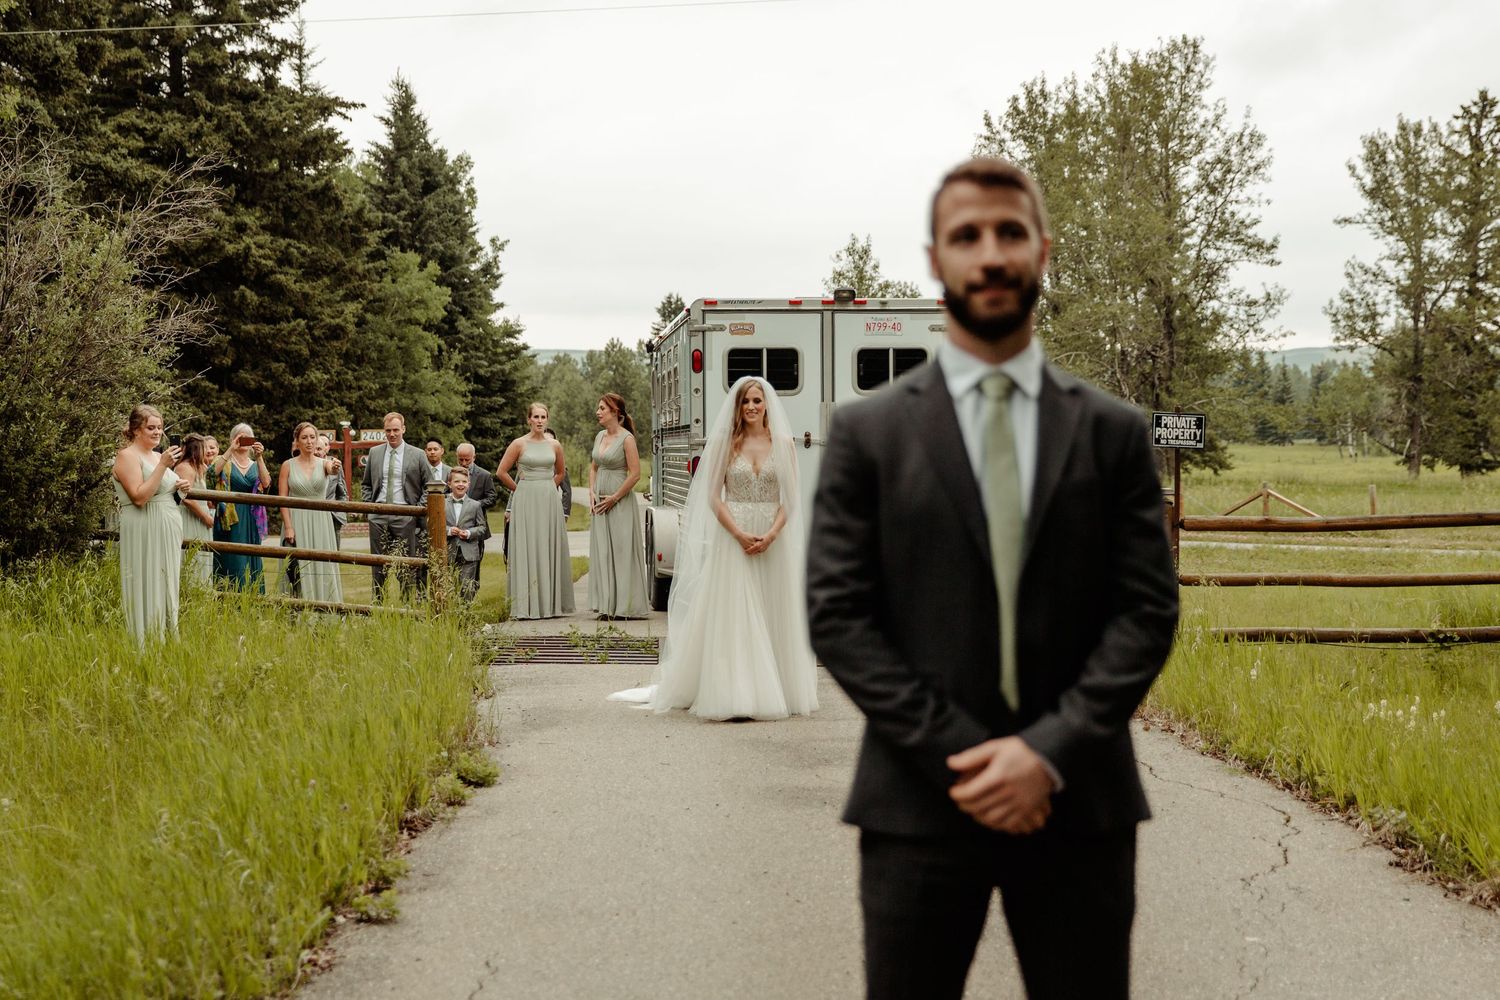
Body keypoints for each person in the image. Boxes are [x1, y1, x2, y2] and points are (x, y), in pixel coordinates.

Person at [804, 157, 1179, 1000]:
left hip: (1079, 804)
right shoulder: (867, 434)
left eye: (1010, 233)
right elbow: (838, 617)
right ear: (935, 259)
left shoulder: (1114, 433)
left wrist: (1046, 754)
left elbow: (1146, 612)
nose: (991, 254)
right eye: (966, 236)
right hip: (916, 804)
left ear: (1042, 250)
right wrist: (963, 757)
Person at [611, 377, 818, 720]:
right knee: (737, 612)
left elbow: (791, 499)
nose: (751, 407)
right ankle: (738, 691)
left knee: (773, 608)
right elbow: (712, 497)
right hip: (734, 536)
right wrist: (738, 534)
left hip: (772, 538)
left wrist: (771, 535)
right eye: (745, 402)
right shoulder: (727, 444)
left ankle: (777, 686)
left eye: (757, 401)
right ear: (737, 407)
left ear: (767, 405)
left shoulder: (783, 444)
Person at [112, 404, 189, 644]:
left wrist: (181, 488)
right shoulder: (127, 456)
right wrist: (164, 466)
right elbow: (139, 497)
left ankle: (167, 636)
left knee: (166, 581)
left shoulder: (157, 456)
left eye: (160, 428)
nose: (157, 432)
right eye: (151, 428)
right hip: (144, 526)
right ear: (136, 429)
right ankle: (143, 640)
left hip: (167, 527)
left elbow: (163, 491)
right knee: (147, 579)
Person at [496, 402, 574, 619]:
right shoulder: (519, 444)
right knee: (527, 545)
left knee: (548, 544)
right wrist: (520, 489)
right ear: (529, 420)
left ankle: (550, 604)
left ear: (547, 420)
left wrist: (548, 487)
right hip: (525, 498)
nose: (540, 421)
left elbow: (560, 473)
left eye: (543, 417)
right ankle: (525, 604)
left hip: (549, 500)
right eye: (536, 417)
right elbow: (501, 472)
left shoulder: (555, 445)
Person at [587, 393, 648, 619]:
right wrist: (591, 492)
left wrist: (614, 497)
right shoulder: (599, 436)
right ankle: (606, 605)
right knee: (603, 551)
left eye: (602, 408)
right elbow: (594, 467)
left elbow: (635, 474)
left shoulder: (627, 439)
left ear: (616, 412)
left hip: (619, 502)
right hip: (600, 503)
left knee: (621, 552)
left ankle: (624, 607)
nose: (598, 412)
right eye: (598, 408)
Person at [362, 411, 429, 599]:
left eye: (396, 430)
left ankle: (407, 604)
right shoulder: (375, 453)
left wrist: (415, 511)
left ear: (403, 429)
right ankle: (378, 603)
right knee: (378, 564)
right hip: (378, 515)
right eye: (388, 430)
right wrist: (369, 507)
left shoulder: (418, 454)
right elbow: (366, 484)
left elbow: (429, 485)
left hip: (405, 515)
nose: (392, 434)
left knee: (406, 565)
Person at [278, 421, 344, 604]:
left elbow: (332, 469)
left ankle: (325, 607)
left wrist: (335, 467)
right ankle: (296, 608)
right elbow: (282, 499)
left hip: (321, 522)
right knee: (296, 567)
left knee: (322, 564)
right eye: (304, 437)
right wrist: (289, 527)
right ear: (297, 441)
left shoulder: (324, 464)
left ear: (317, 440)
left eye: (312, 437)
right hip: (296, 520)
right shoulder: (287, 465)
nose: (309, 441)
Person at [207, 422, 270, 592]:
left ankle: (252, 597)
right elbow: (211, 474)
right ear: (232, 439)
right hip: (229, 517)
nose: (243, 441)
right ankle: (227, 597)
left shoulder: (255, 464)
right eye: (240, 437)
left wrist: (259, 457)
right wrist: (230, 449)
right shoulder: (224, 461)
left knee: (250, 558)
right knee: (231, 559)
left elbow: (266, 484)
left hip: (251, 518)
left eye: (248, 438)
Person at [444, 466, 491, 602]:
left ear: (468, 484)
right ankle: (449, 611)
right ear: (449, 484)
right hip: (448, 550)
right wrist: (448, 530)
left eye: (464, 482)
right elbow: (433, 524)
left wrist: (469, 533)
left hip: (469, 552)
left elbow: (482, 527)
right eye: (457, 481)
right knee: (448, 585)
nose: (461, 484)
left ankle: (465, 612)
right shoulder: (442, 502)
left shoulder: (475, 505)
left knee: (466, 587)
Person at [175, 432, 215, 587]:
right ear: (198, 449)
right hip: (190, 517)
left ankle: (201, 589)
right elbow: (186, 498)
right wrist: (205, 517)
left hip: (199, 516)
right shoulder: (185, 468)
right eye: (205, 448)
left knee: (202, 555)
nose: (208, 451)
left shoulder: (198, 467)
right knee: (191, 555)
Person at [315, 434, 348, 545]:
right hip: (313, 514)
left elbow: (342, 492)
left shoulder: (335, 465)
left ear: (327, 449)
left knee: (334, 549)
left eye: (322, 446)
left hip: (332, 515)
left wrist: (340, 514)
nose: (317, 451)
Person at [455, 442, 498, 513]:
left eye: (467, 460)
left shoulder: (484, 475)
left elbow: (492, 498)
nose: (464, 463)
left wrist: (475, 505)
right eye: (461, 460)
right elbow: (445, 494)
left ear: (474, 457)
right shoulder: (451, 473)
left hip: (476, 517)